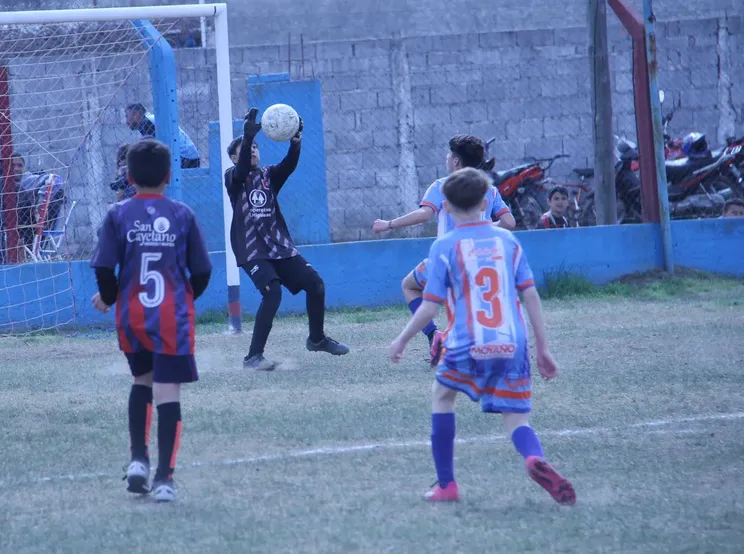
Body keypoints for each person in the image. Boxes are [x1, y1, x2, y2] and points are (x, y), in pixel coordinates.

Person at [388, 167, 575, 506]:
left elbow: (429, 308)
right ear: (487, 200)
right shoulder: (507, 240)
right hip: (512, 343)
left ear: (445, 204)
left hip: (467, 342)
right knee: (516, 417)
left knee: (443, 397)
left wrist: (401, 340)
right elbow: (530, 295)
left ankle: (447, 485)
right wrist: (543, 348)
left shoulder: (445, 246)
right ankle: (533, 458)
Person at [90, 139, 212, 503]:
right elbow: (202, 271)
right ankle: (163, 479)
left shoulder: (118, 214)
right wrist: (184, 296)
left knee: (141, 380)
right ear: (169, 176)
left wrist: (111, 296)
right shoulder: (182, 214)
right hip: (170, 318)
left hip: (132, 317)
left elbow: (102, 266)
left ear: (128, 176)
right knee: (167, 390)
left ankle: (138, 461)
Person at [372, 135, 517, 361]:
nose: (446, 157)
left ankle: (434, 336)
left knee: (409, 286)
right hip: (481, 261)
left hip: (447, 260)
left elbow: (424, 214)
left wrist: (389, 224)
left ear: (456, 161)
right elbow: (509, 222)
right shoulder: (489, 189)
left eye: (449, 154)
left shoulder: (443, 186)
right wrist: (486, 227)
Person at [226, 108, 349, 371]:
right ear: (234, 158)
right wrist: (246, 138)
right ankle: (253, 358)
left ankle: (316, 339)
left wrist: (295, 141)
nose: (253, 151)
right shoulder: (232, 178)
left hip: (279, 247)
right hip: (252, 249)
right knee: (272, 293)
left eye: (256, 146)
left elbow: (289, 165)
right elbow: (241, 170)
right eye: (247, 149)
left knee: (315, 284)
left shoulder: (268, 175)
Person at [125, 103, 201, 169]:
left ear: (136, 114)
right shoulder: (149, 120)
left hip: (185, 158)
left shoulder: (147, 123)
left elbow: (150, 150)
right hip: (188, 158)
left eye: (127, 116)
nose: (126, 121)